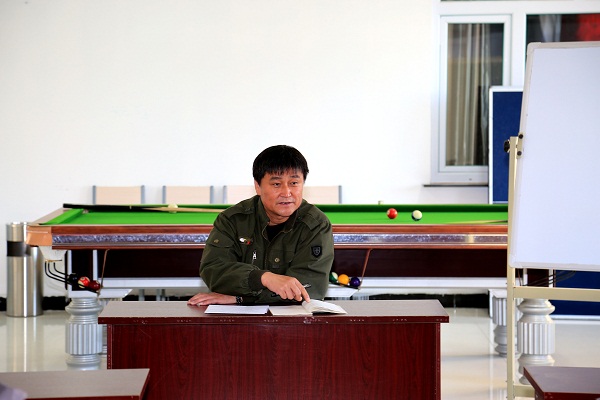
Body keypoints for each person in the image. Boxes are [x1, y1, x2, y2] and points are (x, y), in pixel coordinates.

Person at [187, 145, 334, 306]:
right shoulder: (232, 220)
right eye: (276, 184)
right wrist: (263, 278)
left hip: (293, 318)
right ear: (258, 186)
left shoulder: (316, 225)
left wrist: (241, 298)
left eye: (294, 183)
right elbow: (213, 270)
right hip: (240, 317)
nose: (287, 193)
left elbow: (308, 289)